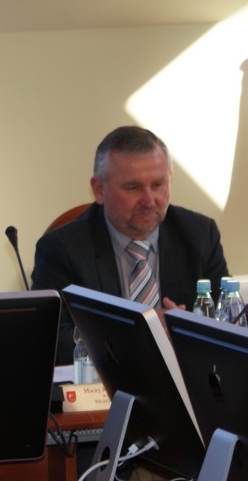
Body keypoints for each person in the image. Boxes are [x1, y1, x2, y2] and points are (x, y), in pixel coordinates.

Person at [31, 126, 229, 364]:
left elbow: (234, 323)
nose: (149, 201)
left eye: (158, 184)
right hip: (107, 385)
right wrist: (139, 338)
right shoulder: (62, 249)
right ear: (99, 190)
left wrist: (189, 331)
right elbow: (52, 343)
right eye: (133, 188)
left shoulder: (199, 235)